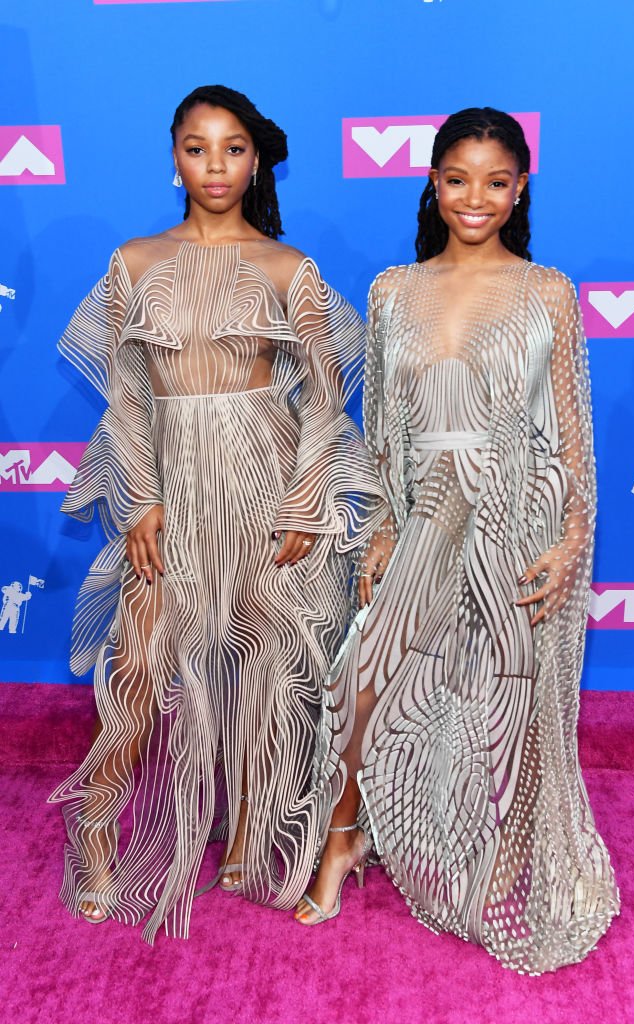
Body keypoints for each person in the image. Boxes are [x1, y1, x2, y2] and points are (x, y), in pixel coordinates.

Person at [49, 85, 386, 942]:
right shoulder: (133, 262)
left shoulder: (289, 269)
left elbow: (325, 400)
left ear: (256, 159)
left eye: (232, 149)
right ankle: (94, 830)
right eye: (197, 148)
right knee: (138, 667)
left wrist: (308, 500)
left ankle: (246, 833)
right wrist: (141, 499)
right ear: (173, 157)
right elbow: (126, 395)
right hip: (173, 491)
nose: (215, 166)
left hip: (268, 492)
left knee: (264, 672)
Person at [295, 108, 620, 974]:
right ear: (432, 183)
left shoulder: (547, 290)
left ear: (519, 192)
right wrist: (386, 528)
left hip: (517, 516)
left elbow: (571, 435)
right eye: (456, 178)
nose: (474, 198)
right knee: (362, 683)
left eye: (496, 182)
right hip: (429, 518)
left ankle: (496, 859)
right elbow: (384, 431)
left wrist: (571, 536)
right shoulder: (393, 291)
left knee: (500, 706)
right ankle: (344, 840)